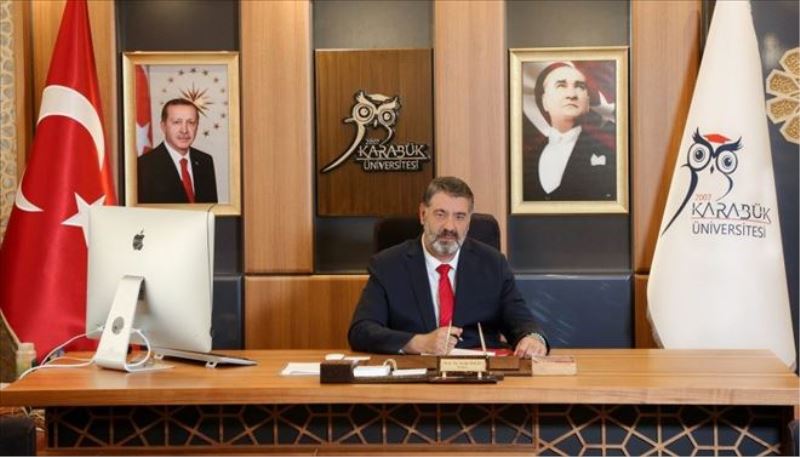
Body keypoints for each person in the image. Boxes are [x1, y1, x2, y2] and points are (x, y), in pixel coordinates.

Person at [348, 177, 548, 357]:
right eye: (440, 214)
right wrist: (417, 343)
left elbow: (522, 322)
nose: (449, 227)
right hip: (415, 372)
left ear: (468, 221)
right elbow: (361, 331)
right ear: (423, 214)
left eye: (459, 216)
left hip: (479, 374)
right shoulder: (388, 265)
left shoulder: (493, 264)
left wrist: (532, 339)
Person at [522, 61, 616, 202]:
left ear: (587, 102)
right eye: (561, 86)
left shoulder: (609, 155)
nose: (571, 95)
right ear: (545, 101)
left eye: (579, 87)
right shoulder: (527, 160)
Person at [137, 98, 218, 204]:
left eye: (191, 122)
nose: (184, 130)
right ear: (163, 126)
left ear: (197, 126)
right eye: (177, 122)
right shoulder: (144, 166)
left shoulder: (205, 161)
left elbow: (210, 209)